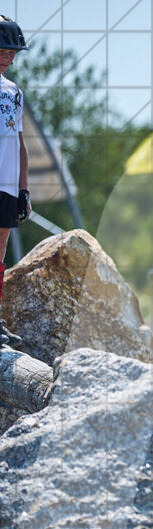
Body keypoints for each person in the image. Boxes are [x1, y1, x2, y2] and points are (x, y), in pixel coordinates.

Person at [0, 15, 30, 348]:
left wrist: (23, 188)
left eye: (13, 52)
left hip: (6, 184)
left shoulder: (14, 92)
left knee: (1, 248)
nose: (9, 58)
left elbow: (20, 142)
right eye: (3, 50)